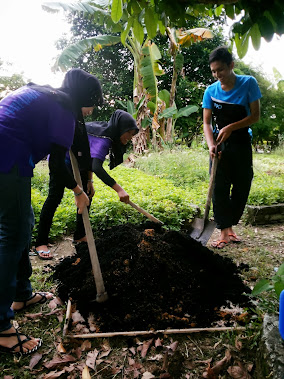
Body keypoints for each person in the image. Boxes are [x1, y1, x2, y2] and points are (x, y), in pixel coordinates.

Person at [0, 68, 103, 354]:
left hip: (9, 152)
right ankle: (2, 327)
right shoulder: (63, 108)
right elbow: (58, 166)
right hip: (7, 154)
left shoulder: (48, 94)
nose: (92, 108)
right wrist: (79, 192)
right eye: (92, 101)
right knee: (11, 235)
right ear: (84, 97)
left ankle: (22, 294)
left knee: (24, 222)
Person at [202, 46, 262, 249]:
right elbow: (207, 123)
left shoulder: (248, 83)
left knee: (243, 184)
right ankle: (224, 232)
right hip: (220, 145)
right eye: (213, 71)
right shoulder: (210, 91)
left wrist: (231, 127)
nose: (217, 75)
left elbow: (255, 116)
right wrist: (211, 144)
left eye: (220, 70)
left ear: (231, 66)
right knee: (219, 186)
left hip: (242, 142)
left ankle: (230, 226)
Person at [86, 109, 139, 204]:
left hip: (77, 159)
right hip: (65, 157)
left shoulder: (106, 133)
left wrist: (89, 180)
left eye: (132, 134)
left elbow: (89, 157)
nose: (131, 137)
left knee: (86, 197)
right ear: (121, 129)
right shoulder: (104, 139)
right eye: (129, 132)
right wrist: (119, 190)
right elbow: (96, 167)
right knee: (56, 194)